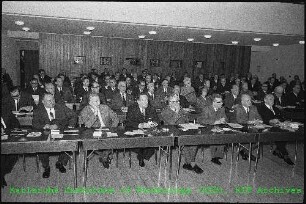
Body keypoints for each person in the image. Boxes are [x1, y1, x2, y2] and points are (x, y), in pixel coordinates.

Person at [32, 93, 77, 178]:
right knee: (41, 144)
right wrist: (44, 126)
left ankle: (60, 162)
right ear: (43, 102)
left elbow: (73, 115)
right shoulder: (38, 110)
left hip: (61, 130)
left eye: (53, 100)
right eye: (49, 101)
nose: (52, 102)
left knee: (69, 142)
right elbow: (34, 124)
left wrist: (70, 126)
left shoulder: (61, 107)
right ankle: (46, 167)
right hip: (45, 132)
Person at [160, 94, 203, 174]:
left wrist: (190, 123)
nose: (175, 103)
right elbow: (171, 123)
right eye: (173, 101)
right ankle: (192, 163)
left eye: (177, 101)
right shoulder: (165, 111)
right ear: (168, 102)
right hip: (171, 133)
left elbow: (186, 119)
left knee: (195, 140)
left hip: (184, 130)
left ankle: (188, 163)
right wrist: (176, 112)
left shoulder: (181, 109)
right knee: (185, 142)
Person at [79, 93, 119, 168]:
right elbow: (87, 125)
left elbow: (116, 118)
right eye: (95, 101)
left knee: (114, 141)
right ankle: (104, 157)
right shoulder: (85, 110)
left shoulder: (105, 107)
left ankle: (103, 156)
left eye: (99, 100)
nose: (98, 103)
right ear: (90, 103)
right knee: (100, 143)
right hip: (93, 132)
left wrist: (112, 128)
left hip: (107, 130)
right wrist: (95, 114)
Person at [257, 94, 294, 165]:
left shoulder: (276, 108)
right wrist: (270, 121)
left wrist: (285, 121)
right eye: (270, 99)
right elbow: (262, 119)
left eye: (273, 99)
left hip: (278, 126)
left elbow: (281, 117)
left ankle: (278, 149)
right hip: (267, 127)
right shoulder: (261, 108)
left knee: (288, 131)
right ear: (265, 100)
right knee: (280, 133)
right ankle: (285, 154)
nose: (273, 100)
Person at [126, 94, 159, 167]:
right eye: (143, 100)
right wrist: (139, 125)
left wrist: (153, 124)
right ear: (138, 101)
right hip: (136, 130)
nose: (145, 102)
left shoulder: (151, 108)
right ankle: (141, 155)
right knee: (141, 141)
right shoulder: (132, 108)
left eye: (146, 100)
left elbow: (157, 120)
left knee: (152, 141)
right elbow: (128, 122)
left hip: (148, 131)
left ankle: (141, 155)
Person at [197, 94, 227, 165]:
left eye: (221, 101)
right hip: (207, 128)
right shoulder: (206, 109)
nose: (222, 103)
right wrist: (214, 121)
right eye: (219, 102)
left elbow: (226, 118)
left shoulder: (222, 109)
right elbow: (201, 120)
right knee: (215, 135)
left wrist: (224, 120)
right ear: (214, 103)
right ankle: (214, 157)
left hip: (218, 128)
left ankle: (217, 156)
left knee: (223, 135)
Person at [233, 94, 262, 161]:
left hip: (253, 127)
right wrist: (249, 122)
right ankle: (246, 152)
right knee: (255, 136)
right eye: (247, 101)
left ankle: (244, 151)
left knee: (260, 137)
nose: (250, 102)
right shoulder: (238, 108)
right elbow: (239, 120)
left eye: (250, 100)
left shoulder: (253, 107)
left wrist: (259, 121)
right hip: (241, 128)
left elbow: (259, 117)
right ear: (242, 102)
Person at [1, 104, 20, 188]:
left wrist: (8, 131)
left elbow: (16, 123)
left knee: (14, 153)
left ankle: (3, 172)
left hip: (8, 136)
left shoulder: (6, 110)